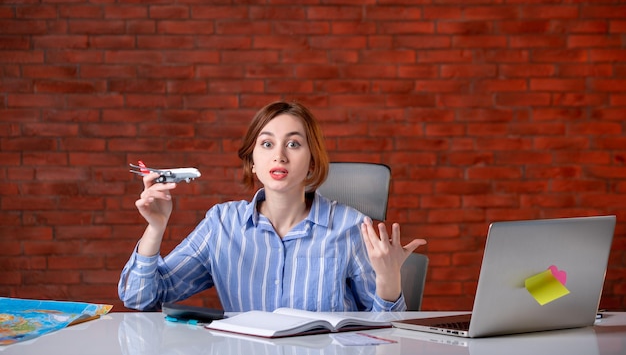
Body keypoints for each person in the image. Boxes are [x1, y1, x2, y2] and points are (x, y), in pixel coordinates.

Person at [118, 101, 426, 312]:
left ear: (311, 163)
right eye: (266, 144)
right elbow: (139, 298)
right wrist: (155, 228)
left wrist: (388, 281)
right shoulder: (222, 224)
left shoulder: (350, 227)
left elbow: (388, 334)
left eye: (293, 144)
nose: (279, 155)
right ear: (252, 162)